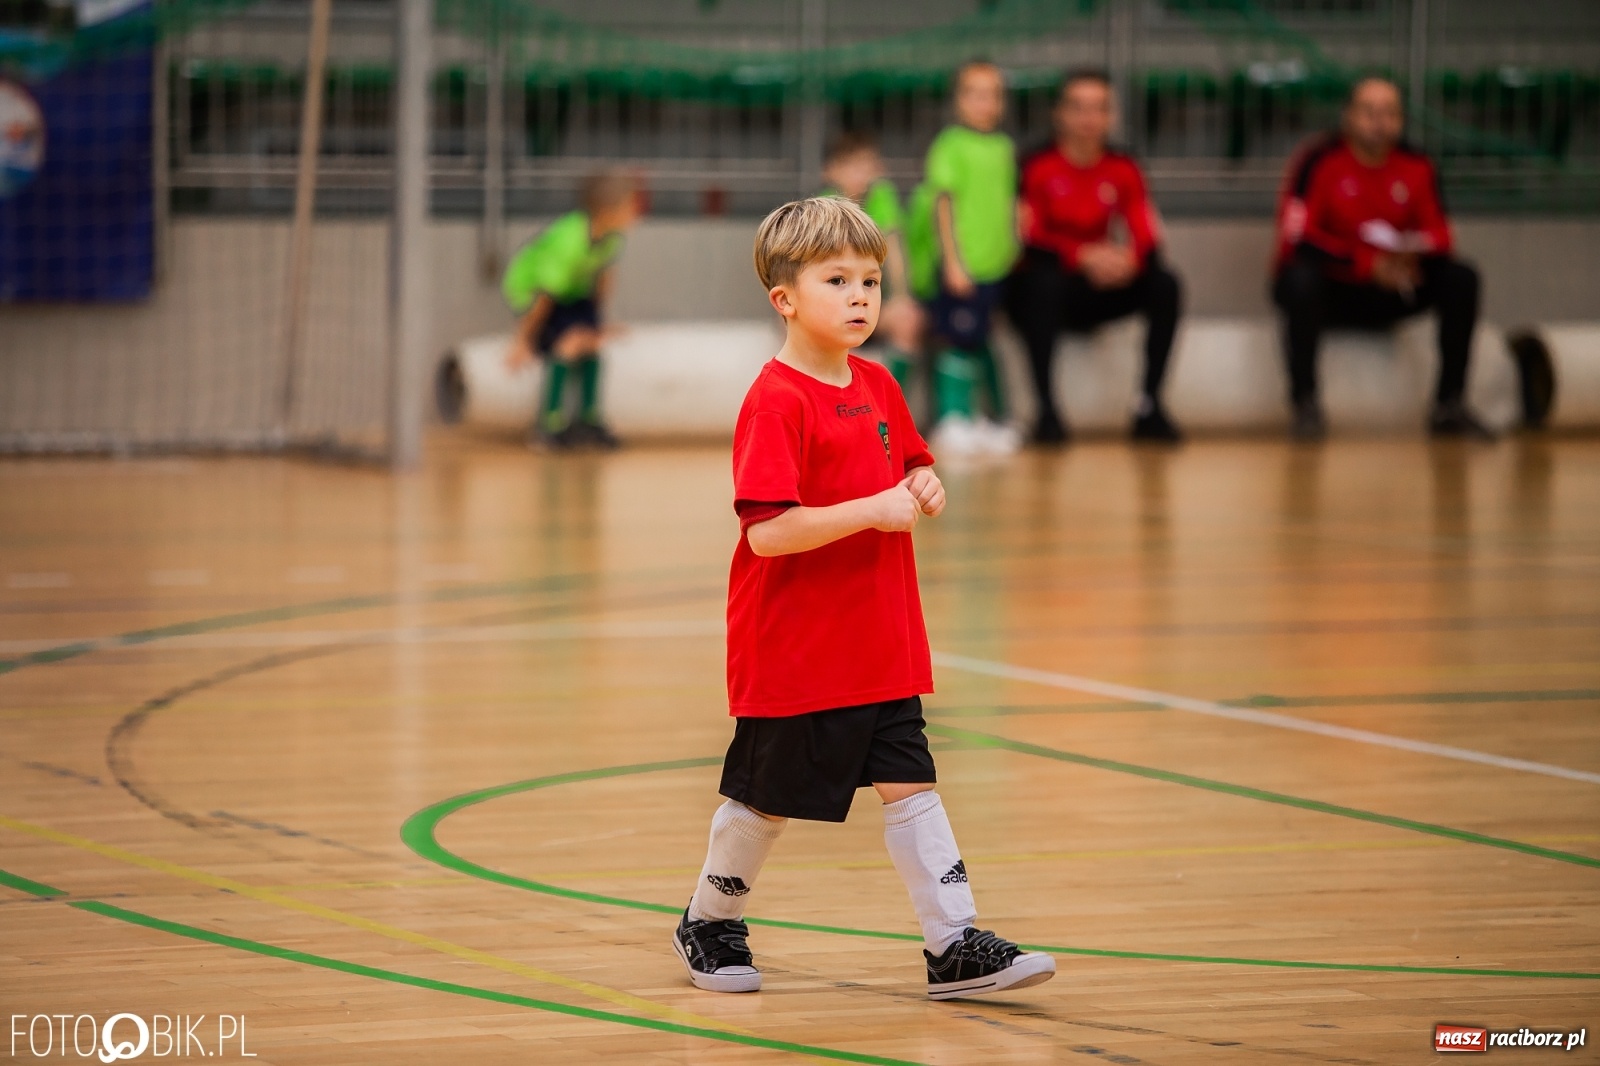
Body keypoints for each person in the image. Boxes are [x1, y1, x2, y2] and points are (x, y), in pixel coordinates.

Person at [671, 196, 1056, 1001]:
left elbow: (911, 466)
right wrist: (873, 511)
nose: (860, 297)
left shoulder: (879, 385)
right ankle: (709, 921)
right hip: (796, 649)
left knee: (912, 786)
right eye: (837, 279)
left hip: (880, 642)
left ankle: (952, 944)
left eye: (871, 281)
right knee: (764, 803)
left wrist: (923, 480)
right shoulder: (774, 401)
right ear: (785, 298)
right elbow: (767, 534)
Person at [1272, 76, 1492, 440]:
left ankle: (1449, 404)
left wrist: (1407, 257)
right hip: (1337, 287)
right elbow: (1297, 238)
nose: (1379, 122)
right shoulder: (1319, 161)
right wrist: (1365, 265)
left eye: (1390, 113)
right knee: (1298, 280)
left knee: (1461, 277)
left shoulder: (1417, 165)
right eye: (1369, 112)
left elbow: (1441, 234)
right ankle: (1305, 404)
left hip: (1396, 284)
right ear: (1348, 117)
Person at [1007, 69, 1183, 445]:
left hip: (1101, 282)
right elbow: (1028, 238)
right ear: (1060, 114)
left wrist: (1127, 261)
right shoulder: (1036, 166)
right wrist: (1082, 256)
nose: (1089, 119)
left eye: (1099, 108)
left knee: (1165, 284)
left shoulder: (1124, 167)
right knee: (1041, 284)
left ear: (1112, 116)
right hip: (1049, 282)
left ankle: (1149, 407)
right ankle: (1047, 412)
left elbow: (1146, 234)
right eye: (1078, 108)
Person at [906, 60, 1022, 456]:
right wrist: (953, 261)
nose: (983, 102)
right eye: (974, 93)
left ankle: (983, 417)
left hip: (995, 264)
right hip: (962, 264)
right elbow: (942, 203)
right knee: (955, 338)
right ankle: (952, 417)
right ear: (958, 100)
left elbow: (1006, 205)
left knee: (981, 336)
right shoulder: (950, 145)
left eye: (991, 94)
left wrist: (1010, 250)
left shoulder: (1005, 148)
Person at [503, 169, 641, 449]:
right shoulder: (569, 241)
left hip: (573, 292)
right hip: (532, 291)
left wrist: (597, 325)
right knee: (569, 342)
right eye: (630, 206)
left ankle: (589, 421)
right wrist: (523, 340)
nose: (636, 213)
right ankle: (548, 425)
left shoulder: (612, 238)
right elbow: (545, 296)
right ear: (608, 211)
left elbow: (603, 280)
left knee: (591, 342)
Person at [819, 132, 924, 394]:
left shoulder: (882, 197)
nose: (860, 173)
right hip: (835, 305)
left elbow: (896, 252)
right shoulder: (823, 207)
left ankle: (887, 404)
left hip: (871, 304)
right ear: (831, 171)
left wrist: (901, 296)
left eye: (866, 164)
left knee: (908, 320)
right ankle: (837, 406)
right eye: (850, 165)